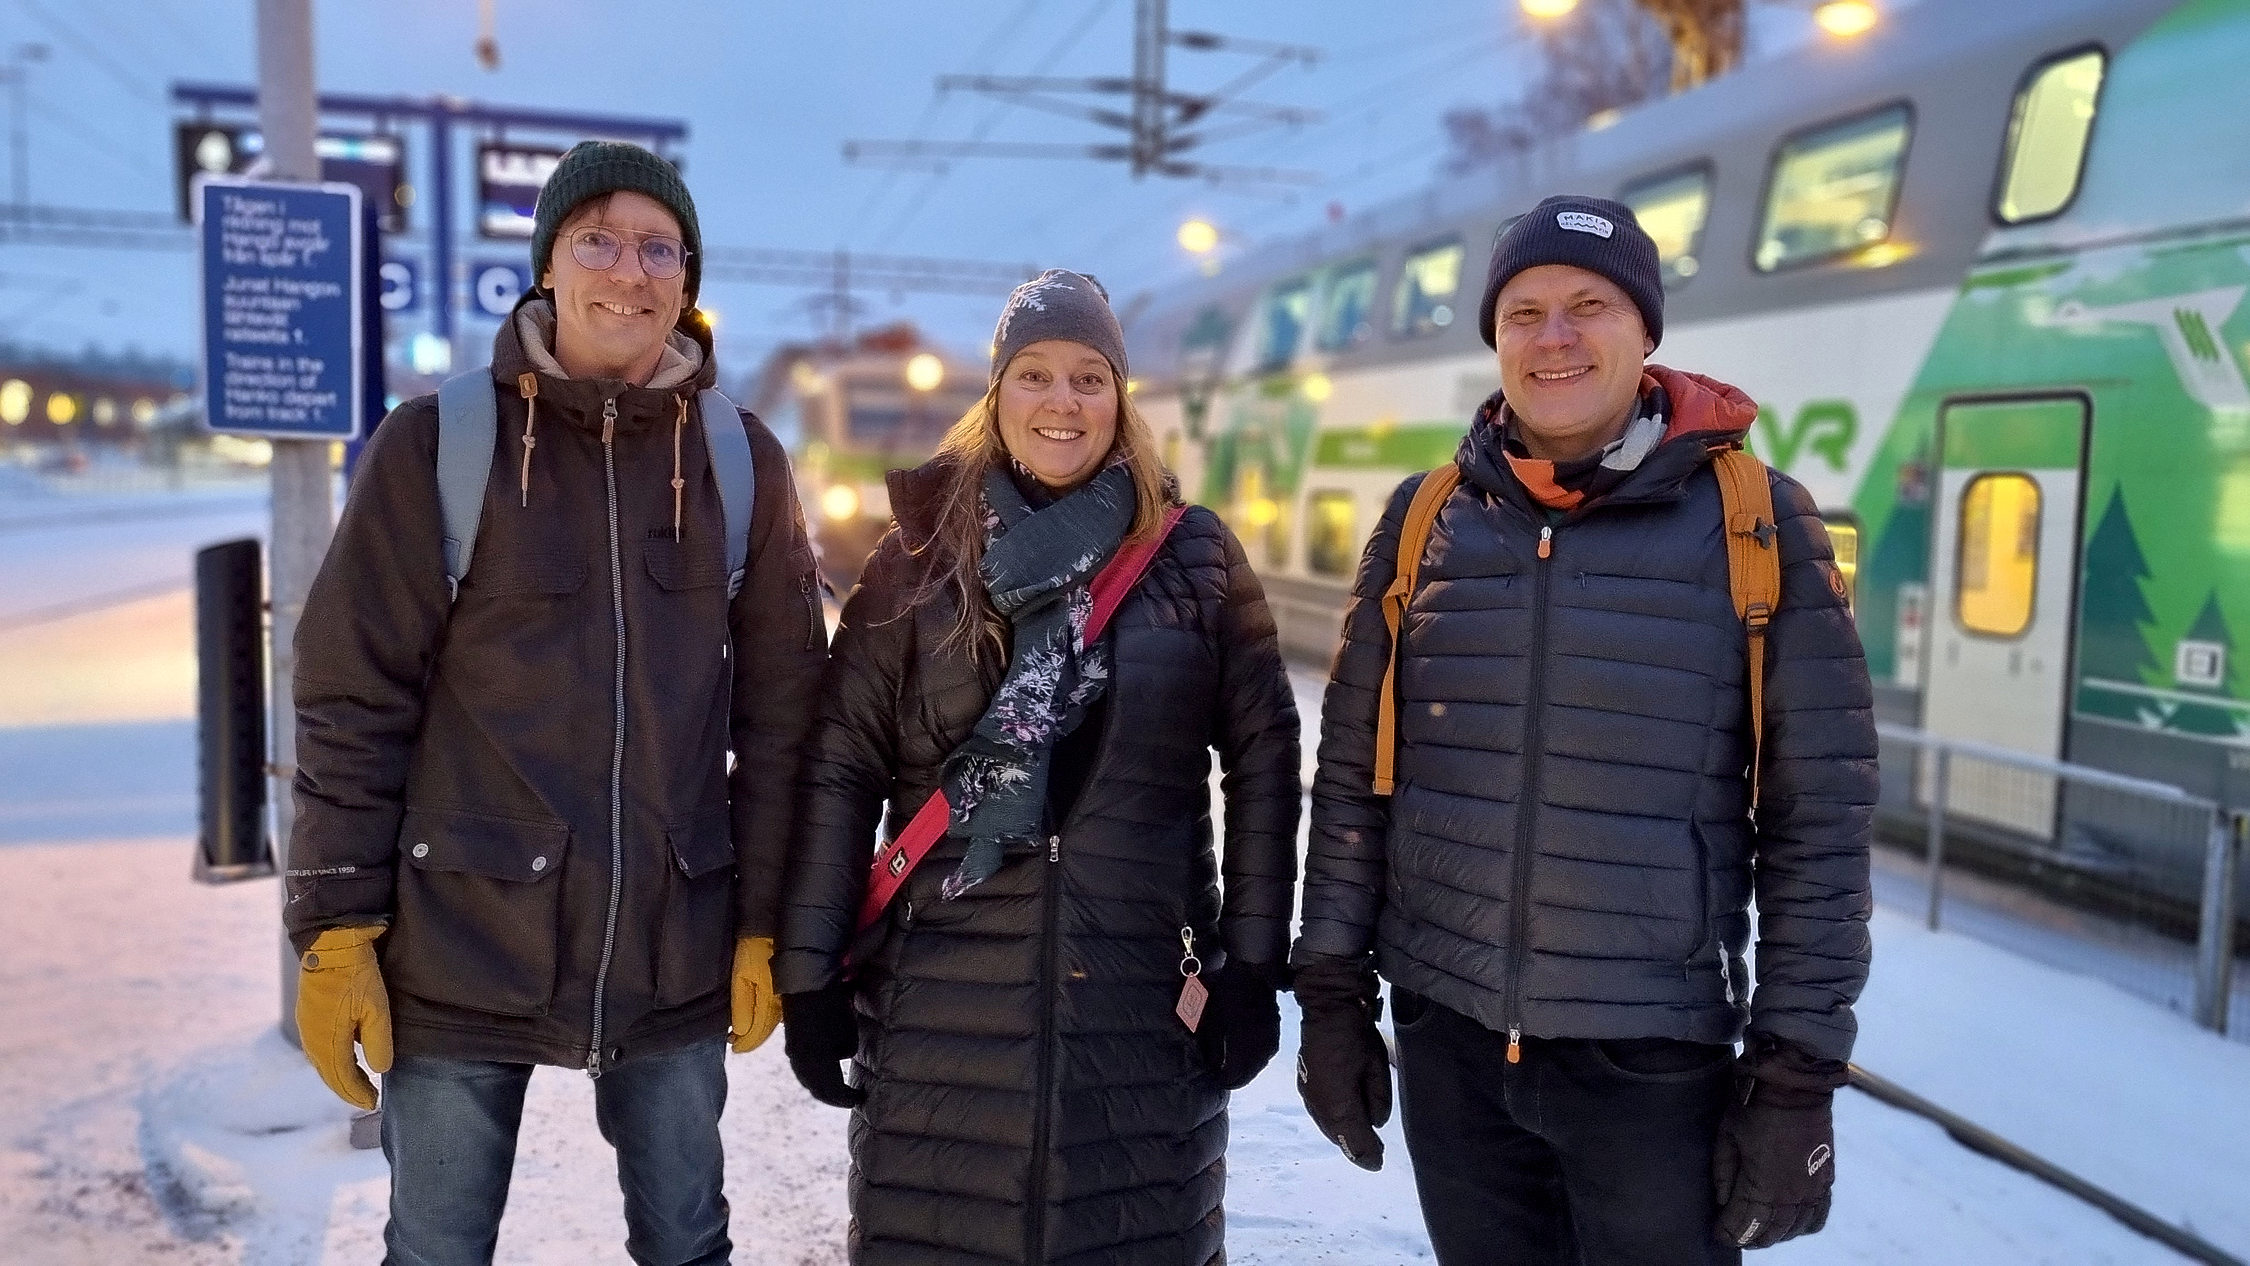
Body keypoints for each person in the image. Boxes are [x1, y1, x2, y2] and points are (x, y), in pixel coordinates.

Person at [1292, 196, 1876, 1264]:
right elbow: (1351, 781)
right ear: (1495, 337)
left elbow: (1821, 816)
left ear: (1645, 330)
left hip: (1651, 1058)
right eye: (1524, 312)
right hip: (1450, 1041)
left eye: (1588, 305)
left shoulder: (1756, 520)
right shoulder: (1426, 520)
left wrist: (1796, 1073)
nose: (1554, 337)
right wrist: (1332, 998)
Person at [283, 140, 827, 1265]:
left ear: (687, 279)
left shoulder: (740, 459)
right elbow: (352, 695)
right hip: (461, 943)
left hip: (673, 943)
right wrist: (336, 924)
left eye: (658, 248)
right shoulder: (438, 444)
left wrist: (765, 917)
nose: (628, 271)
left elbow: (783, 718)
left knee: (688, 1243)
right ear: (547, 267)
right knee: (435, 1250)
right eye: (598, 240)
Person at [774, 269, 1302, 1265]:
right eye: (1035, 376)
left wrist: (1253, 965)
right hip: (940, 1001)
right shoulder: (918, 559)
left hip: (1138, 1004)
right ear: (997, 393)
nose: (1063, 403)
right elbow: (841, 764)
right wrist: (810, 974)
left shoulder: (1196, 559)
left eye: (1089, 378)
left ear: (1120, 397)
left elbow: (1266, 756)